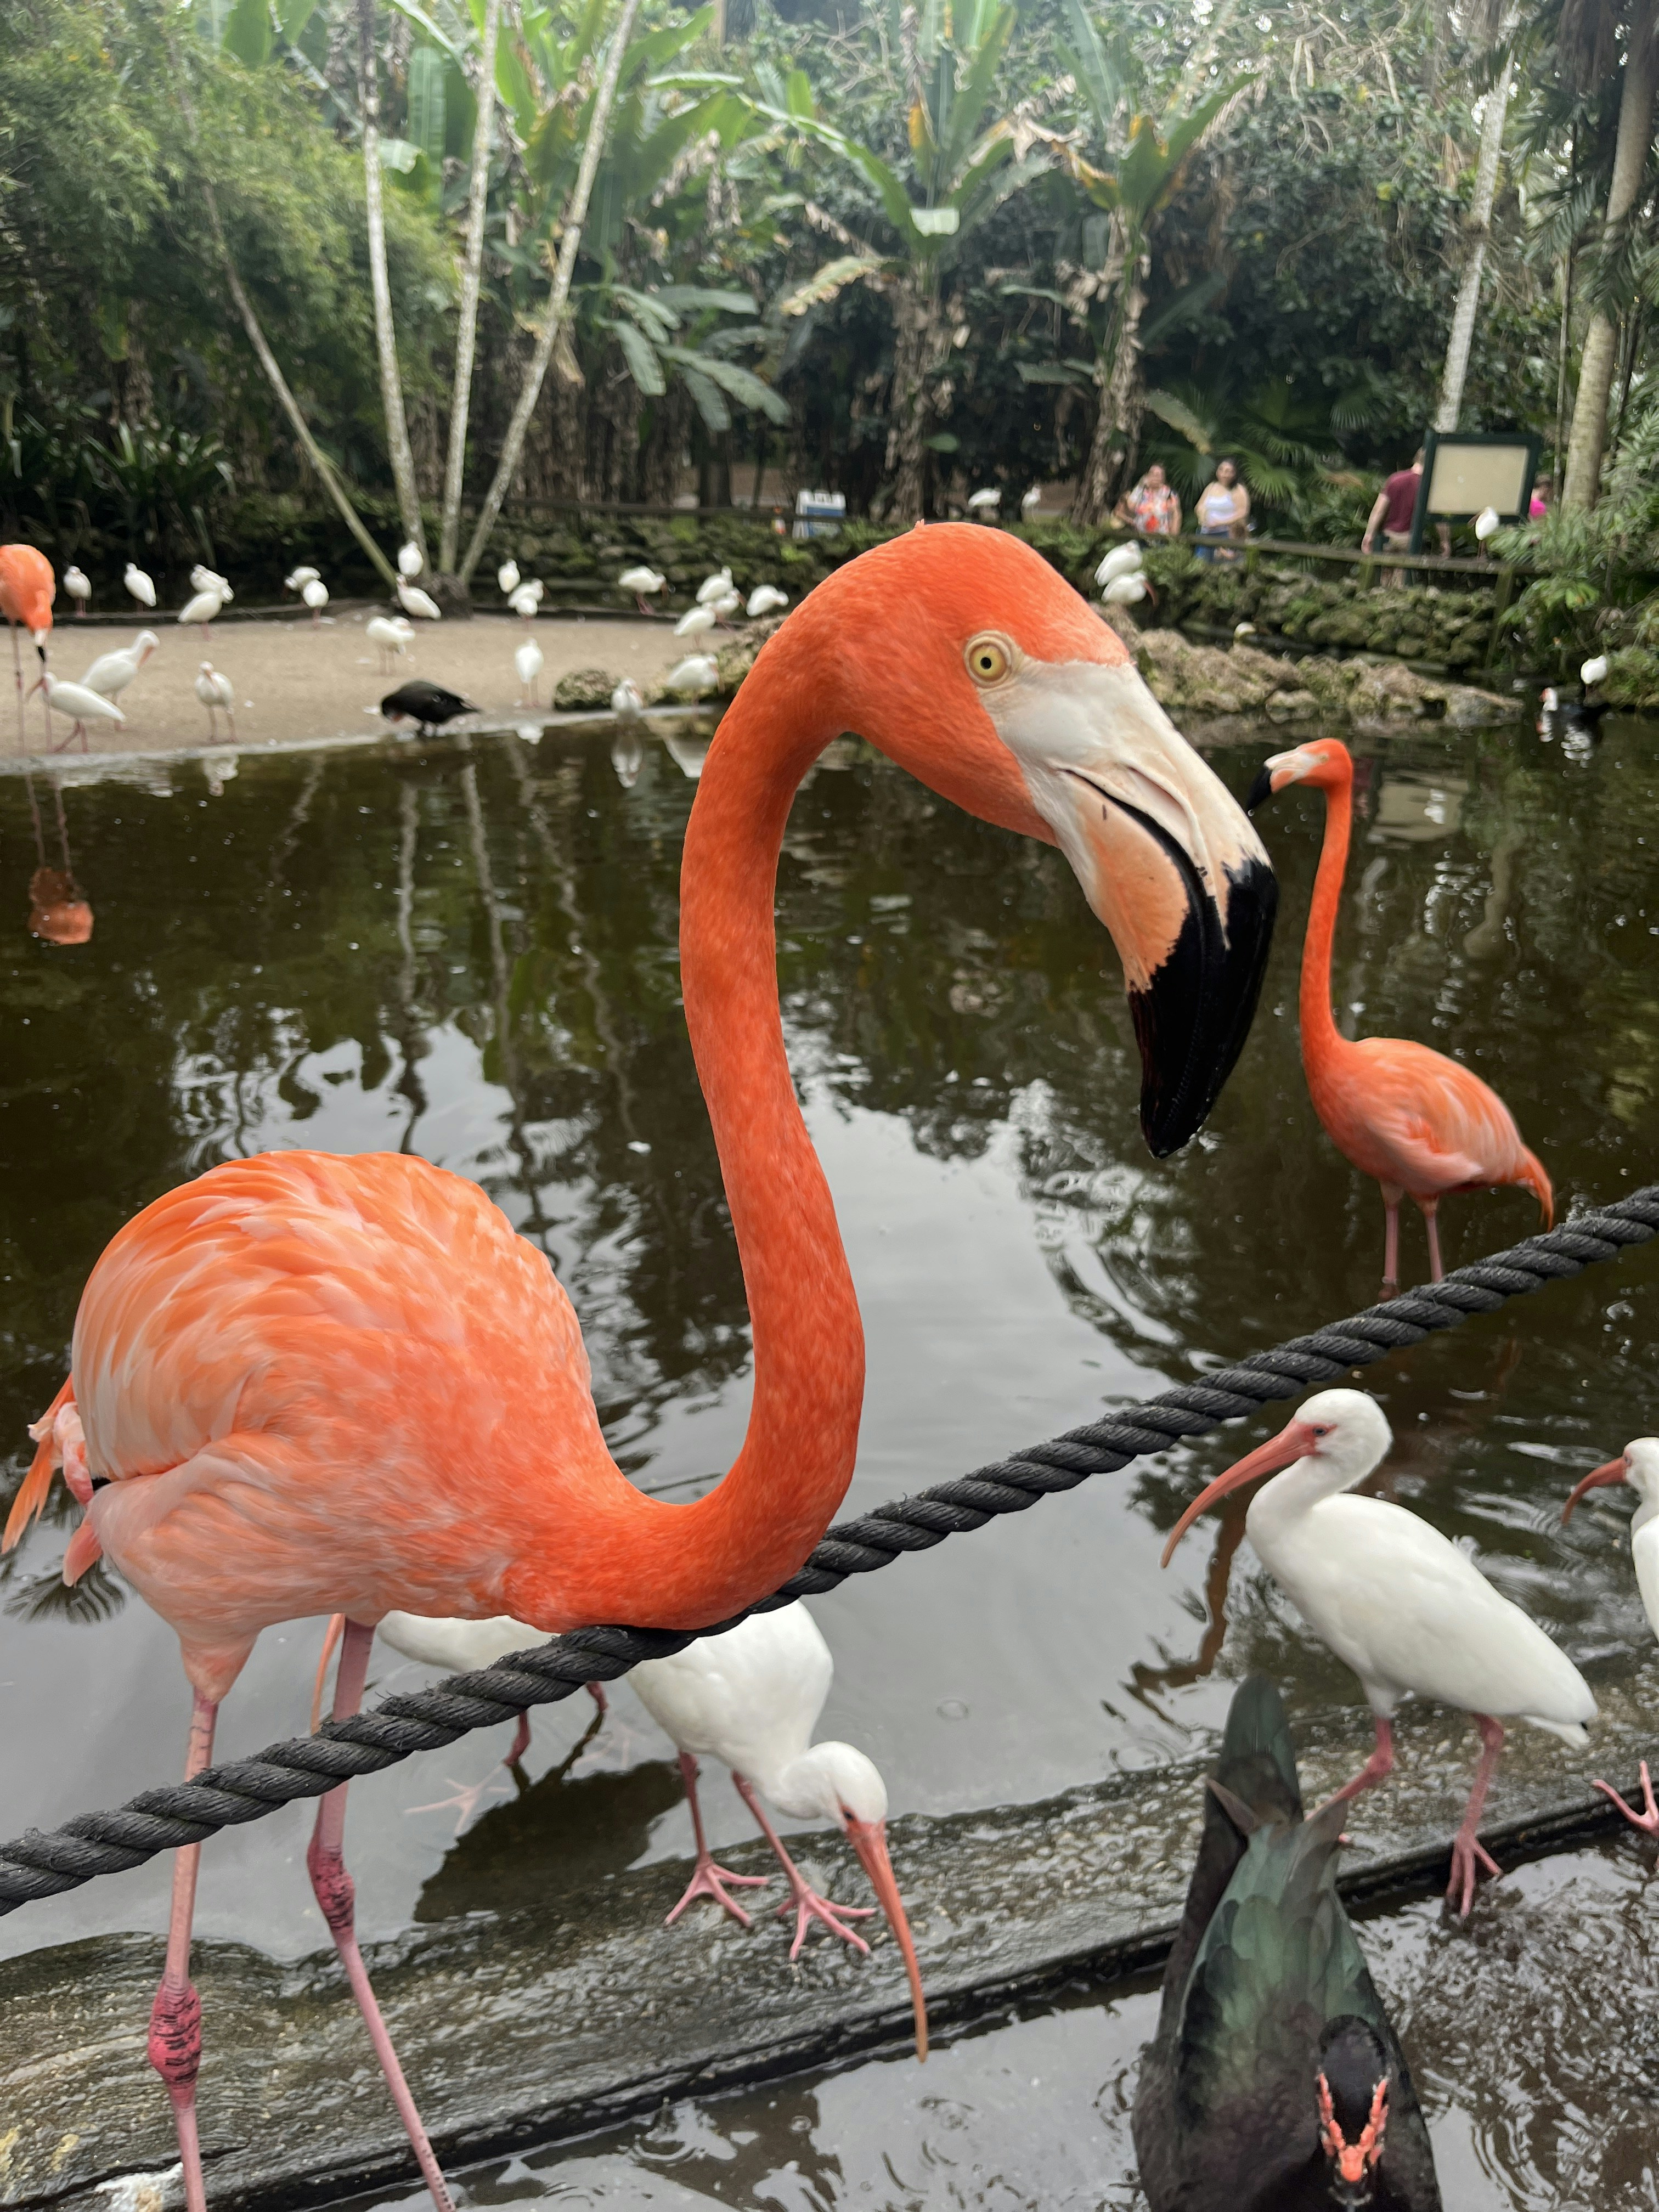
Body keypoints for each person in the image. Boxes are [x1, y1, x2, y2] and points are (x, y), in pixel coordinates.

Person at [1194, 458, 1250, 561]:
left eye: (1228, 471)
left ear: (1234, 473)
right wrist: (1203, 518)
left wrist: (1220, 522)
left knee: (1222, 567)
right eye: (1221, 470)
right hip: (1206, 533)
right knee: (1201, 565)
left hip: (1227, 534)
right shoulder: (1211, 487)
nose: (1224, 474)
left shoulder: (1238, 490)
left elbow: (1242, 512)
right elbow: (1199, 507)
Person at [1116, 463, 1181, 538]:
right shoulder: (1141, 492)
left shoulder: (1170, 494)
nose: (1155, 477)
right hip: (1140, 537)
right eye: (1152, 474)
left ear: (1163, 478)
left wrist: (1173, 540)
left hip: (1162, 539)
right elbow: (1131, 507)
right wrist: (1140, 486)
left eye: (1158, 475)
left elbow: (1176, 516)